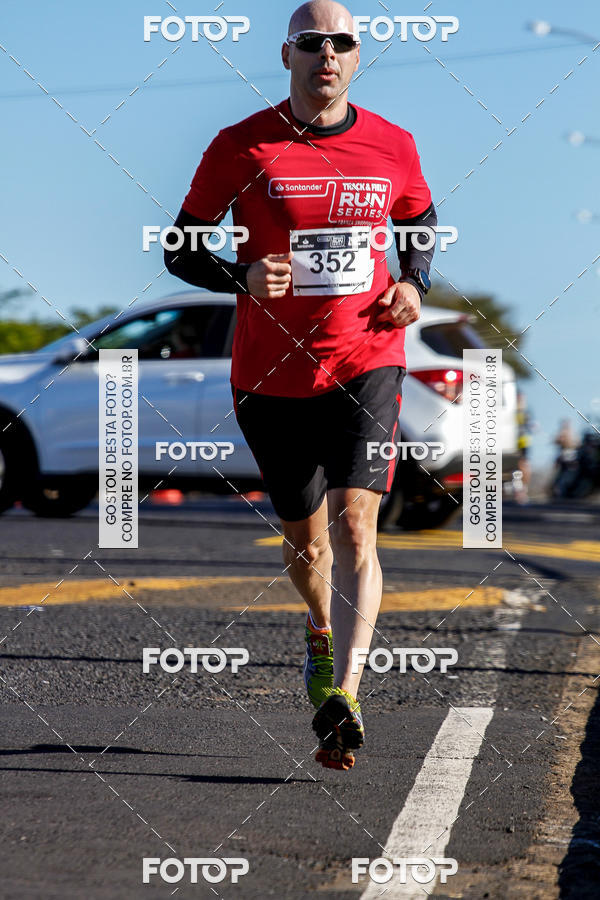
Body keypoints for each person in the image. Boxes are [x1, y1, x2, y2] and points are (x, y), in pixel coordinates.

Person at [165, 0, 436, 770]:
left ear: (358, 58)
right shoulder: (240, 146)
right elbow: (179, 248)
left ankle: (346, 695)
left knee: (356, 526)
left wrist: (414, 280)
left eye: (342, 43)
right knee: (306, 543)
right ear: (287, 56)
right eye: (311, 42)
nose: (328, 54)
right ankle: (320, 631)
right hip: (270, 377)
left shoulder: (393, 145)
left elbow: (419, 220)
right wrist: (240, 275)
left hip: (368, 357)